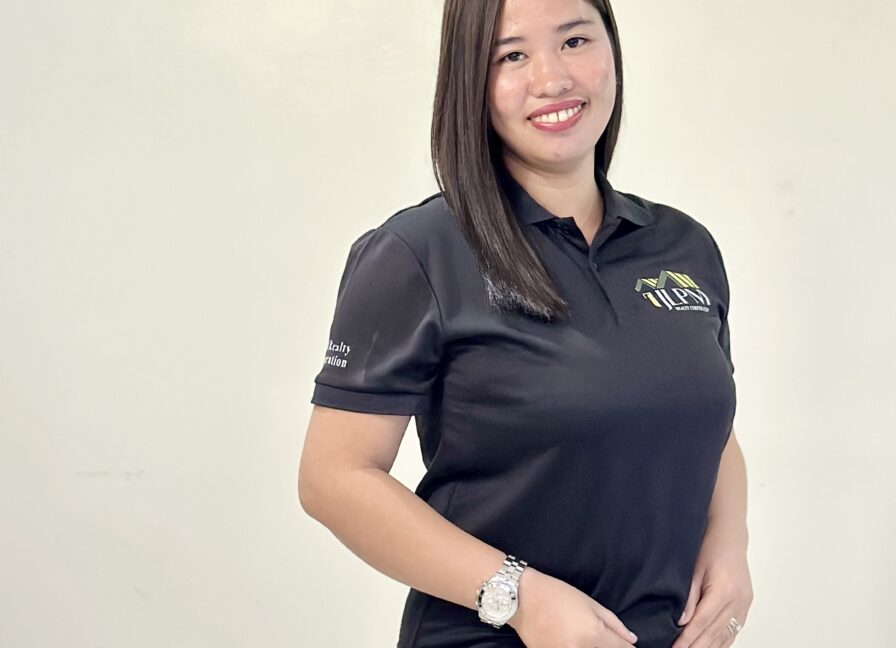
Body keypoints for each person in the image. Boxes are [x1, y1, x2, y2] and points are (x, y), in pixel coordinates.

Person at [297, 0, 753, 646]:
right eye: (512, 55)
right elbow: (334, 478)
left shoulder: (683, 246)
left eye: (574, 41)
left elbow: (705, 422)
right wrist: (521, 598)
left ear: (612, 48)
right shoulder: (420, 252)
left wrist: (730, 542)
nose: (551, 78)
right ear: (470, 79)